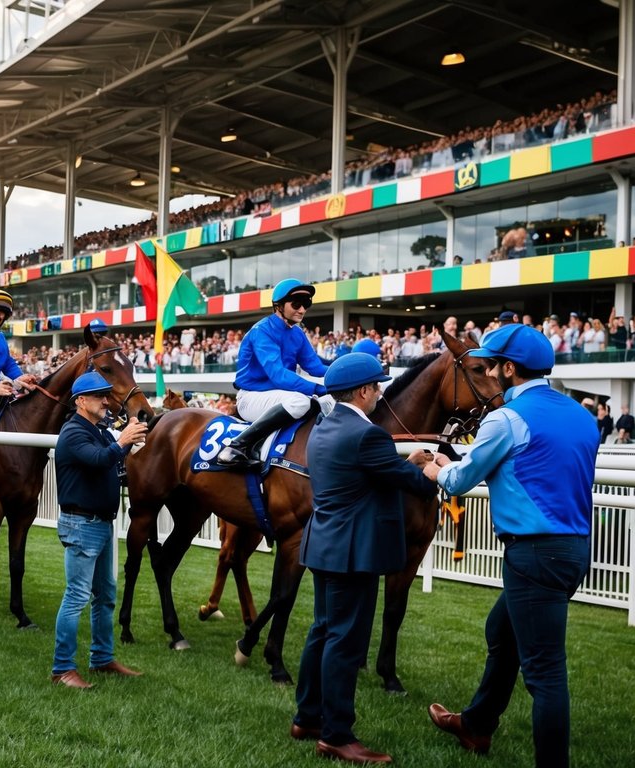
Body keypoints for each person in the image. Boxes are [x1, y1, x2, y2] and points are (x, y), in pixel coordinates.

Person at [421, 324, 595, 768]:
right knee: (502, 632)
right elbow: (532, 466)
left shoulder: (504, 418)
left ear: (509, 369)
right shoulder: (581, 415)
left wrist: (436, 470)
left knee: (546, 672)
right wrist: (454, 462)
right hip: (573, 551)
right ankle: (476, 725)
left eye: (490, 364)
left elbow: (460, 482)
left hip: (534, 554)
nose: (488, 371)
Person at [292, 353, 437, 764]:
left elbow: (369, 472)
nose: (380, 394)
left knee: (323, 632)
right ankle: (337, 734)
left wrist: (403, 464)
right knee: (344, 641)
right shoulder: (367, 434)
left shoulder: (326, 426)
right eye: (378, 387)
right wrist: (428, 471)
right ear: (363, 391)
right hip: (352, 552)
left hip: (325, 546)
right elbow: (410, 483)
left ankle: (307, 717)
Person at [49, 371, 148, 689]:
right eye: (99, 396)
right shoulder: (74, 433)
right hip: (82, 524)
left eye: (107, 395)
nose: (107, 400)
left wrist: (127, 444)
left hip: (99, 524)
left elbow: (114, 460)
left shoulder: (99, 430)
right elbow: (100, 459)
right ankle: (62, 668)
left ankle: (101, 658)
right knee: (77, 596)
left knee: (105, 596)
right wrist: (123, 441)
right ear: (81, 401)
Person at [217, 278, 330, 469]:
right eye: (296, 304)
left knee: (324, 403)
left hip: (278, 396)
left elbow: (316, 367)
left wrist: (352, 371)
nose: (302, 310)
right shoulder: (262, 331)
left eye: (306, 304)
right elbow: (278, 375)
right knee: (300, 401)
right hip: (251, 397)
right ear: (278, 306)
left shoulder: (297, 333)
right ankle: (235, 446)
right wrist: (320, 388)